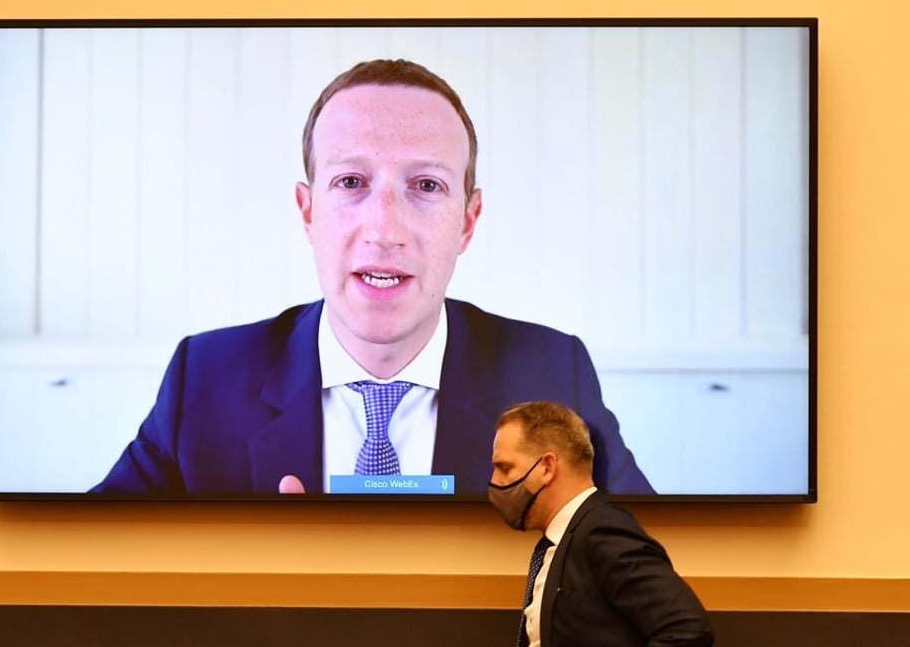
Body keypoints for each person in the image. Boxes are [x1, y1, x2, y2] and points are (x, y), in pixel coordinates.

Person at [91, 59, 653, 497]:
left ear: (468, 221)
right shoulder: (205, 380)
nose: (384, 229)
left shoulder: (553, 376)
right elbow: (87, 561)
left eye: (426, 186)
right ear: (308, 212)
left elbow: (650, 565)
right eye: (351, 182)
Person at [489, 400, 713, 646]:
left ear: (547, 468)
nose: (495, 481)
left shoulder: (602, 531)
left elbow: (687, 629)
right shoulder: (562, 539)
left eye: (504, 468)